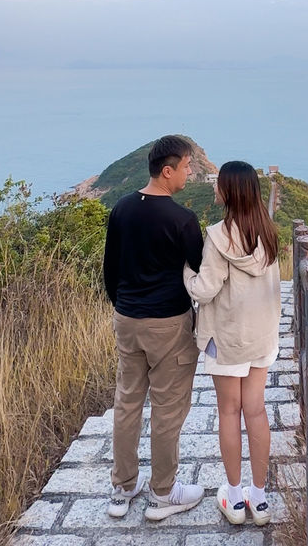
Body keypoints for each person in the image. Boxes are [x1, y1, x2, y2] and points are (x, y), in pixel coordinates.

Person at [103, 135, 205, 520]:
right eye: (186, 166)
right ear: (168, 171)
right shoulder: (182, 220)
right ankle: (164, 492)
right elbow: (199, 271)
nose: (190, 171)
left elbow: (110, 270)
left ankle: (123, 487)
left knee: (127, 402)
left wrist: (125, 305)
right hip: (168, 324)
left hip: (127, 319)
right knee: (167, 409)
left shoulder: (122, 209)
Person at [184, 161, 280, 526]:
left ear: (229, 191)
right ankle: (260, 499)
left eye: (218, 184)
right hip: (260, 337)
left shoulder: (219, 236)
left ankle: (235, 499)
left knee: (229, 412)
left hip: (226, 339)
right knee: (255, 410)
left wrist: (185, 272)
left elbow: (203, 290)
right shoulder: (267, 231)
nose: (214, 188)